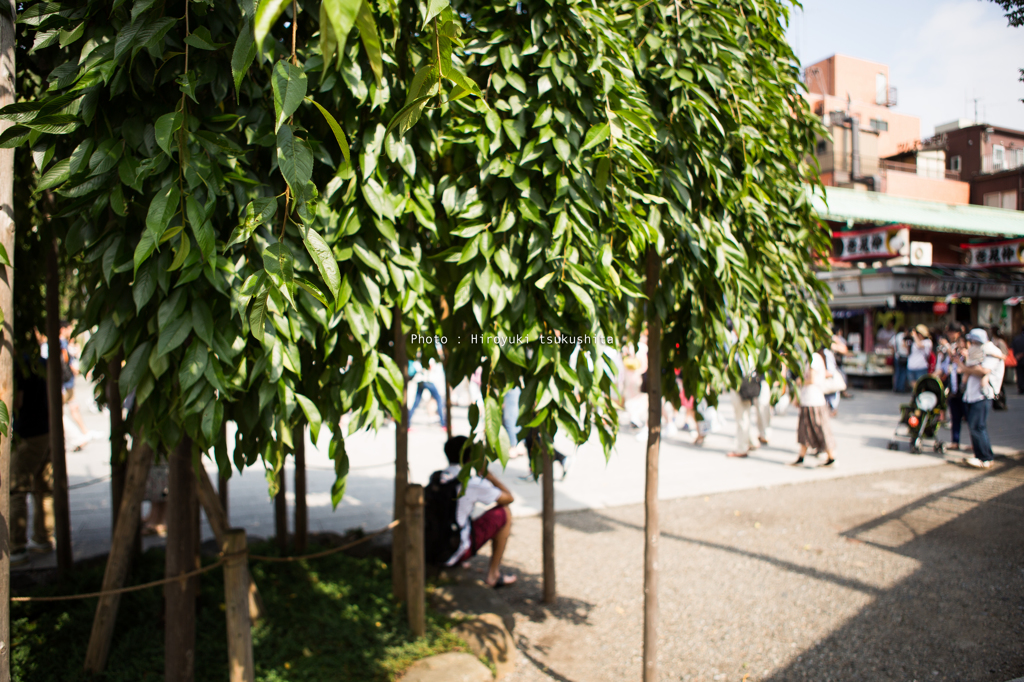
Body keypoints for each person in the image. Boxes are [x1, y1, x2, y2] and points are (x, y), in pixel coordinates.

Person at [438, 437, 516, 587]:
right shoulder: (470, 483)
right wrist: (489, 476)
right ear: (469, 457)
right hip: (453, 550)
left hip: (435, 544)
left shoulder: (439, 476)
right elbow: (508, 498)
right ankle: (493, 575)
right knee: (504, 513)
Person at [10, 355, 55, 565]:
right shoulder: (42, 361)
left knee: (16, 490)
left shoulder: (17, 363)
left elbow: (17, 401)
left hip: (27, 433)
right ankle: (43, 537)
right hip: (46, 430)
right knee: (43, 488)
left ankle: (16, 546)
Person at [954, 328, 1004, 469]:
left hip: (983, 395)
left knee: (978, 426)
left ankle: (985, 458)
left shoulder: (991, 351)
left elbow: (983, 371)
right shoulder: (978, 351)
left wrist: (965, 368)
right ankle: (980, 455)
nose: (970, 343)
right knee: (974, 427)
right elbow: (969, 368)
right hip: (972, 395)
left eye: (973, 340)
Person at [790, 350, 836, 467]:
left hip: (813, 400)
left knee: (820, 429)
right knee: (805, 429)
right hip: (809, 400)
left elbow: (812, 379)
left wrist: (799, 381)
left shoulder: (814, 358)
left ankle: (832, 457)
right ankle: (801, 457)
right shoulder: (814, 357)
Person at [937, 328, 965, 451]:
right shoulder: (954, 357)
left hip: (965, 393)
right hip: (953, 391)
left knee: (972, 421)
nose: (958, 347)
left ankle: (976, 444)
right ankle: (955, 441)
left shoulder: (966, 357)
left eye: (961, 344)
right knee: (955, 417)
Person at [408, 358, 446, 429]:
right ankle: (443, 423)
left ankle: (407, 423)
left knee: (416, 402)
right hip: (428, 380)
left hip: (421, 380)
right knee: (439, 399)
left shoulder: (418, 357)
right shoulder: (429, 356)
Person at [905, 324, 932, 390]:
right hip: (911, 366)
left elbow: (919, 345)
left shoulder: (927, 342)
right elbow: (907, 352)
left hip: (921, 367)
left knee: (921, 386)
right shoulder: (912, 342)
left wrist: (914, 336)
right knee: (913, 385)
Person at [990, 327, 1010, 410]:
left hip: (999, 366)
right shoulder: (992, 341)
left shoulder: (1000, 342)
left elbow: (1005, 355)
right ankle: (996, 402)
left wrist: (995, 355)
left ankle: (1001, 402)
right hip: (992, 365)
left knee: (1000, 385)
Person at [889, 327, 909, 392]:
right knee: (903, 372)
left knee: (897, 372)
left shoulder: (895, 337)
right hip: (905, 356)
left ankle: (896, 387)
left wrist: (894, 351)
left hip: (897, 356)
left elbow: (890, 344)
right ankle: (901, 387)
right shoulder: (905, 336)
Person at [1012, 325, 1024, 395]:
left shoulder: (1016, 338)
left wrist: (1016, 355)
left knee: (1019, 374)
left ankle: (1020, 387)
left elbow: (1012, 348)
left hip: (1018, 359)